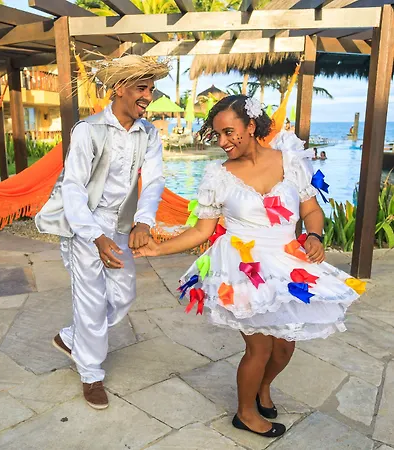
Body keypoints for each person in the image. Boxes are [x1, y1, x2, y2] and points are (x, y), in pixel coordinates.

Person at [134, 95, 362, 437]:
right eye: (217, 135)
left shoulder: (291, 162)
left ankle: (263, 387)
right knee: (260, 346)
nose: (223, 142)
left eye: (229, 132)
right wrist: (159, 249)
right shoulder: (218, 176)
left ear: (251, 126)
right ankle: (245, 414)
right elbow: (201, 230)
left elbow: (311, 210)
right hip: (243, 268)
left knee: (285, 345)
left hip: (286, 263)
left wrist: (314, 235)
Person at [35, 55, 169, 409]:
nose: (149, 96)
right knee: (91, 301)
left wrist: (144, 220)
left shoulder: (149, 132)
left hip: (121, 225)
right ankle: (91, 373)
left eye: (151, 89)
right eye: (142, 88)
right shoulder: (88, 130)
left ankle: (72, 337)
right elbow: (73, 187)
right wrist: (94, 235)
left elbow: (154, 179)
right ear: (120, 88)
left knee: (123, 295)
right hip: (87, 225)